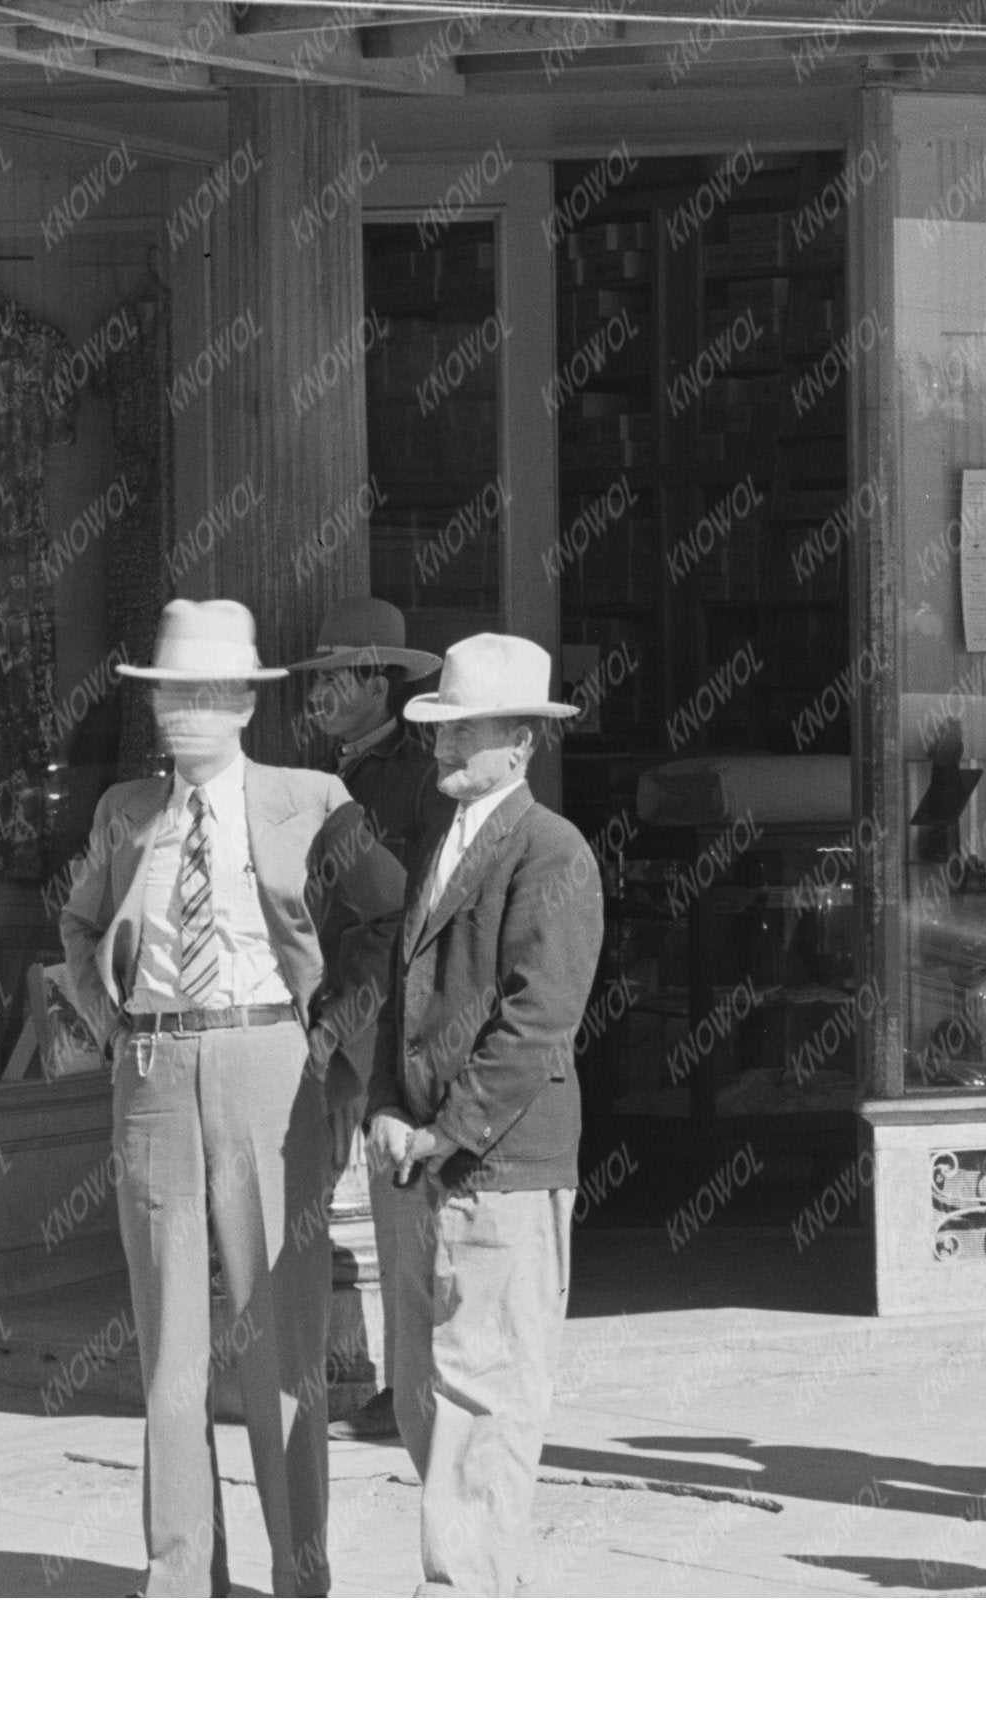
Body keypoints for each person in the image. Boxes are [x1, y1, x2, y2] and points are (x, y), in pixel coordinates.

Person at [55, 592, 350, 1597]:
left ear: (245, 704)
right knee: (169, 1341)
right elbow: (78, 925)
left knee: (281, 1331)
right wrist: (112, 1028)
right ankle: (180, 1577)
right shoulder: (126, 810)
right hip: (152, 1067)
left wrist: (332, 1041)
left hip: (266, 1059)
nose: (187, 711)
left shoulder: (311, 799)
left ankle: (299, 1575)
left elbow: (382, 923)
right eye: (171, 692)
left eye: (208, 692)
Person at [359, 629, 604, 1592]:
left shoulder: (551, 850)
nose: (447, 744)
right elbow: (400, 989)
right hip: (419, 1158)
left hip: (498, 1165)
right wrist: (385, 1105)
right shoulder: (444, 840)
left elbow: (537, 1020)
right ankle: (482, 1584)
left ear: (523, 742)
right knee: (427, 1395)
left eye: (470, 728)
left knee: (485, 1393)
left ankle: (462, 1597)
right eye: (441, 727)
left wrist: (444, 1130)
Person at [291, 595, 444, 1433]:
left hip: (379, 1025)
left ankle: (410, 1387)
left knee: (398, 1215)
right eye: (314, 680)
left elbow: (407, 917)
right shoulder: (314, 776)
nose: (318, 695)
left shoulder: (417, 777)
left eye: (337, 678)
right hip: (318, 1016)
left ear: (380, 683)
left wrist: (344, 1018)